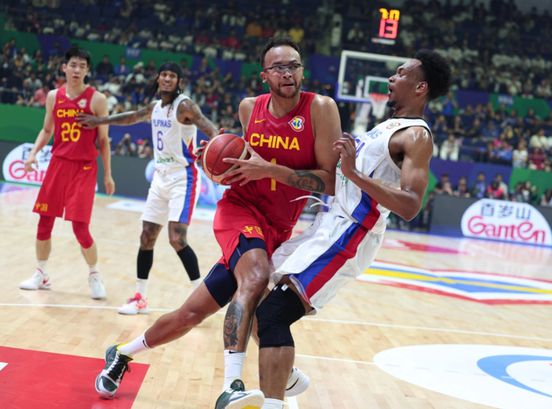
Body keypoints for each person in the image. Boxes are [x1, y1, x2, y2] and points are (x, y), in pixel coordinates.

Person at [93, 37, 341, 403]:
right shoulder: (249, 108)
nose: (288, 73)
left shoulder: (320, 108)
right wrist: (215, 162)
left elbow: (331, 182)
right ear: (264, 75)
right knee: (255, 277)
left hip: (276, 228)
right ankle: (231, 386)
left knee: (191, 314)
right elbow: (240, 160)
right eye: (279, 67)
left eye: (294, 65)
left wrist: (269, 170)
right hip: (240, 210)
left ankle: (121, 353)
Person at [216, 49, 451, 409]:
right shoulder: (385, 126)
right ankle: (288, 378)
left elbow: (409, 205)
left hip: (350, 236)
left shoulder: (416, 136)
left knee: (274, 314)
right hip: (327, 226)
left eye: (401, 74)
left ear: (420, 88)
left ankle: (274, 401)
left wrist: (353, 173)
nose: (392, 78)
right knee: (255, 291)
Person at [78, 61, 218, 315]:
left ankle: (203, 298)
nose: (167, 79)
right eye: (164, 74)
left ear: (179, 81)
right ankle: (140, 298)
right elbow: (131, 117)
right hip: (160, 178)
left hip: (183, 178)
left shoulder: (184, 105)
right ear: (158, 78)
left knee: (177, 239)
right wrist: (100, 120)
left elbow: (209, 127)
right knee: (146, 237)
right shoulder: (155, 107)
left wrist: (216, 143)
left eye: (172, 75)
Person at [19, 46, 115, 299]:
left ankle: (94, 275)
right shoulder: (54, 96)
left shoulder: (97, 100)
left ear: (87, 71)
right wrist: (32, 154)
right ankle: (41, 273)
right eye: (73, 65)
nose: (76, 70)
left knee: (80, 228)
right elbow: (46, 130)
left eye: (82, 66)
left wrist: (108, 174)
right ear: (64, 67)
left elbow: (103, 141)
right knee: (44, 222)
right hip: (58, 164)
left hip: (84, 168)